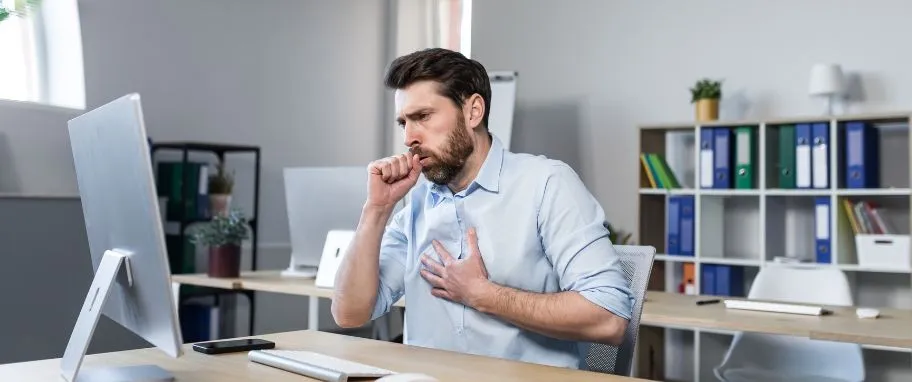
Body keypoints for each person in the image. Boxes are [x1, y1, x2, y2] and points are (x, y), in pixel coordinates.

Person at [331, 48, 634, 370]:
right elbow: (350, 314)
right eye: (403, 122)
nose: (409, 137)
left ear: (473, 111)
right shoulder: (417, 202)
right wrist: (376, 210)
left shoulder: (546, 184)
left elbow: (609, 319)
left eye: (423, 117)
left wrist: (482, 295)